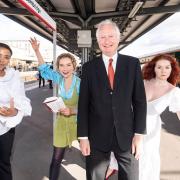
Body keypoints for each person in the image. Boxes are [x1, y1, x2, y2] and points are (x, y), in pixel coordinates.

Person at [77, 19, 147, 180]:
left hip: (127, 137)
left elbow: (140, 102)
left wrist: (138, 135)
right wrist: (83, 137)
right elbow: (83, 105)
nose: (106, 41)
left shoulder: (132, 64)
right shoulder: (88, 68)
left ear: (118, 38)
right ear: (97, 41)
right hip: (96, 138)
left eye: (110, 36)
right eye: (102, 37)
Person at [106, 53, 180, 180]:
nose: (163, 71)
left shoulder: (174, 91)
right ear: (153, 68)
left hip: (150, 130)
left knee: (144, 161)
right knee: (123, 156)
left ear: (172, 69)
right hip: (129, 123)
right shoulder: (142, 83)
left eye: (167, 67)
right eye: (159, 67)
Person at [30, 37, 80, 180]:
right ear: (58, 67)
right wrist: (37, 51)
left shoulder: (80, 83)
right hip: (61, 124)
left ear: (73, 66)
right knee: (56, 158)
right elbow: (44, 69)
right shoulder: (58, 78)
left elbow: (88, 106)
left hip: (79, 124)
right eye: (62, 65)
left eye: (68, 65)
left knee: (89, 156)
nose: (65, 69)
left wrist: (72, 111)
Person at [0, 43, 32, 180]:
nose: (2, 60)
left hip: (5, 129)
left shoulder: (14, 77)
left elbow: (23, 101)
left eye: (6, 57)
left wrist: (14, 112)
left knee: (3, 165)